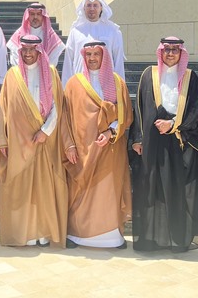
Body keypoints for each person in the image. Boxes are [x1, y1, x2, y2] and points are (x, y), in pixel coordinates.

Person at [129, 37, 198, 253]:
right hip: (152, 141)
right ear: (160, 52)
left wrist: (173, 124)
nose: (170, 53)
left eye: (175, 50)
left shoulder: (190, 77)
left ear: (182, 53)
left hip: (179, 141)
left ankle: (176, 240)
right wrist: (137, 138)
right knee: (151, 189)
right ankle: (150, 240)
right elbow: (139, 108)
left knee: (176, 189)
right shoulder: (149, 74)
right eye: (167, 49)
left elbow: (197, 110)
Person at [0, 35, 68, 248]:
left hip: (45, 141)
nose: (28, 54)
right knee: (21, 188)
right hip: (18, 141)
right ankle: (24, 234)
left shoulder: (51, 72)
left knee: (43, 188)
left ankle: (44, 233)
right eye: (24, 50)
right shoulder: (12, 75)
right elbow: (3, 109)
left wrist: (45, 131)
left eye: (32, 49)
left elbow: (57, 106)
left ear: (39, 51)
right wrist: (3, 141)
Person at [61, 41, 133, 249]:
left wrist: (111, 131)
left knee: (108, 190)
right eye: (88, 54)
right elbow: (64, 119)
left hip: (110, 148)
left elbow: (126, 114)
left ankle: (111, 237)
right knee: (82, 191)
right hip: (82, 150)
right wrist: (69, 145)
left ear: (104, 57)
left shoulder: (117, 83)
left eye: (96, 54)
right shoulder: (74, 84)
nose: (92, 58)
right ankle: (78, 235)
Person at [61, 0, 125, 86]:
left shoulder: (113, 31)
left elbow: (118, 61)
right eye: (88, 5)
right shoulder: (75, 31)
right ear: (84, 8)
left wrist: (120, 87)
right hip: (81, 84)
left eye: (95, 5)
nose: (92, 9)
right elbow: (68, 61)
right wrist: (66, 88)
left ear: (101, 7)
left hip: (106, 85)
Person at [6, 3, 65, 67]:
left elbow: (53, 58)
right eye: (32, 14)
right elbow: (15, 57)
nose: (35, 17)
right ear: (28, 16)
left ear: (43, 16)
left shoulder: (50, 35)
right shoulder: (19, 34)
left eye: (38, 14)